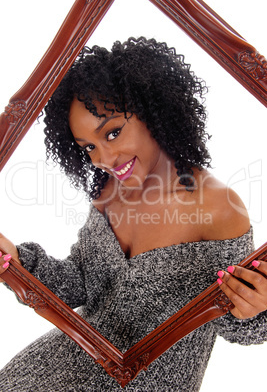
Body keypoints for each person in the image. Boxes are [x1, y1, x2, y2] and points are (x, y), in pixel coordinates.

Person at [0, 37, 266, 391]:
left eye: (112, 132)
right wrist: (18, 262)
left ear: (154, 110)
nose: (104, 159)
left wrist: (256, 308)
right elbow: (79, 284)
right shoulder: (108, 193)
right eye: (89, 147)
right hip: (36, 378)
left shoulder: (215, 206)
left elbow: (237, 319)